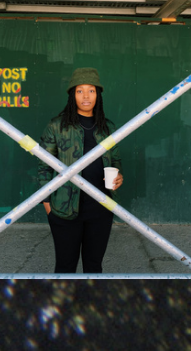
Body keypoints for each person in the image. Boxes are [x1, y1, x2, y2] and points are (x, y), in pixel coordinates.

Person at [38, 67, 124, 274]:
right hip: (64, 210)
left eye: (91, 91)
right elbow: (44, 167)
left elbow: (116, 160)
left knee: (94, 267)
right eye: (80, 91)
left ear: (98, 95)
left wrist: (118, 176)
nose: (86, 96)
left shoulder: (108, 127)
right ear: (72, 95)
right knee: (65, 267)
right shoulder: (56, 126)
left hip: (101, 209)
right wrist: (48, 206)